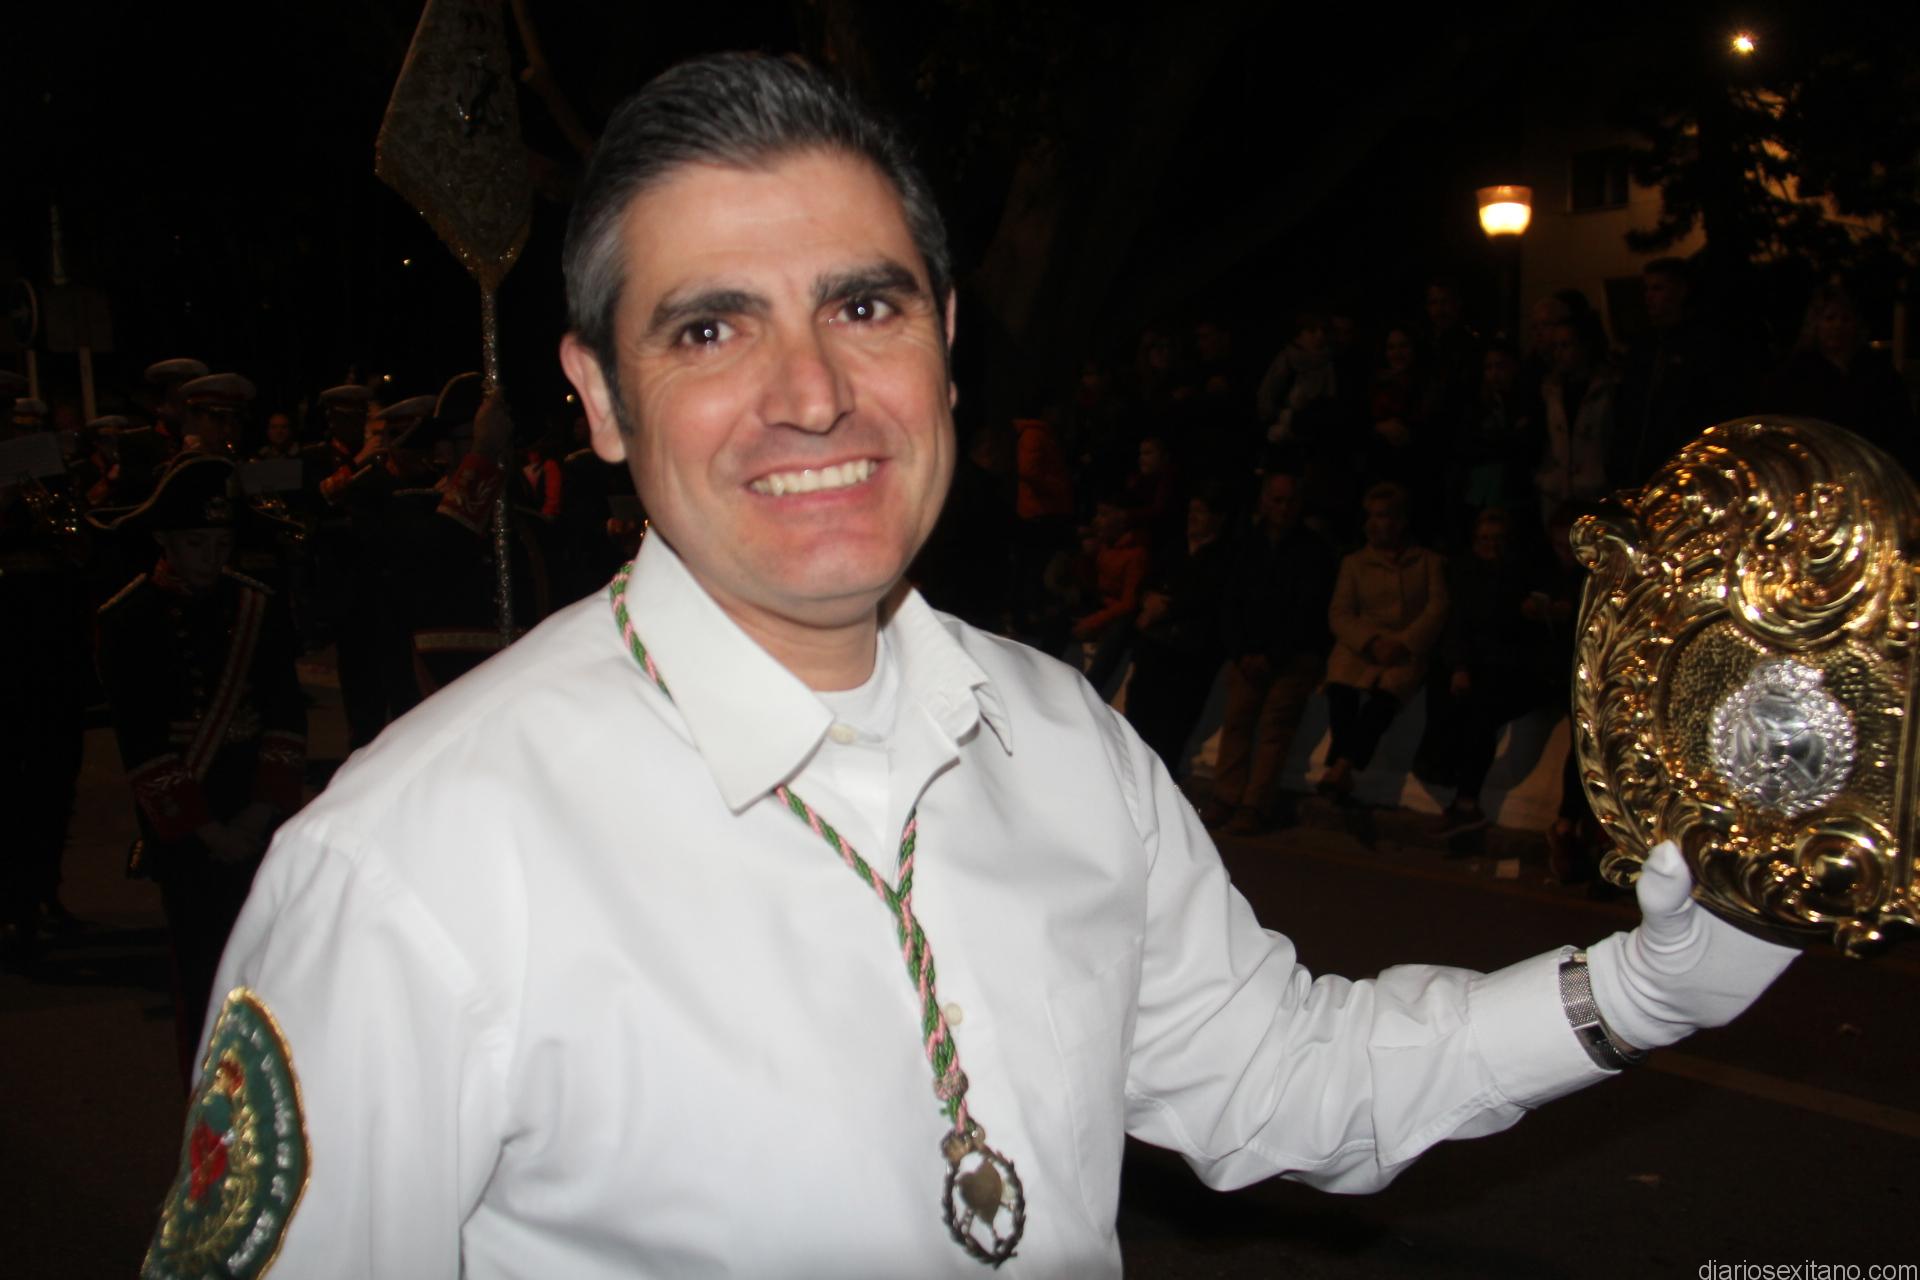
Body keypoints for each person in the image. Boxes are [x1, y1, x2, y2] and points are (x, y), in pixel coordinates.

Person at [146, 54, 1797, 1279]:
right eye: (710, 329)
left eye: (864, 308)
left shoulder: (1062, 737)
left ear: (944, 337)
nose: (811, 393)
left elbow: (1285, 1080)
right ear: (597, 397)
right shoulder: (414, 867)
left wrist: (1641, 991)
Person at [94, 455, 305, 1081]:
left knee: (273, 961)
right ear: (163, 541)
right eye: (195, 544)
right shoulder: (128, 618)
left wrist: (260, 813)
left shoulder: (256, 606)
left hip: (253, 802)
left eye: (221, 544)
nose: (211, 558)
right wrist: (209, 829)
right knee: (201, 966)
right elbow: (141, 740)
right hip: (190, 821)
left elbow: (285, 714)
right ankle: (209, 1089)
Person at [1201, 470, 1336, 835]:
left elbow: (1308, 609)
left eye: (1290, 501)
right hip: (1248, 653)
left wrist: (1274, 654)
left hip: (1292, 656)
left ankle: (1254, 805)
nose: (1283, 508)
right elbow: (1229, 601)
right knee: (1237, 722)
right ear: (1263, 501)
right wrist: (1242, 651)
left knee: (1275, 729)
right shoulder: (1246, 544)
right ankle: (1225, 796)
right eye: (1277, 500)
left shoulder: (1313, 551)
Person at [1320, 481, 1447, 797]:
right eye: (1370, 516)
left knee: (1382, 704)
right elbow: (1340, 612)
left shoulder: (1428, 563)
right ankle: (1342, 769)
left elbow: (1437, 608)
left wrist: (1404, 643)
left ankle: (1340, 768)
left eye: (1383, 516)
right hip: (1361, 646)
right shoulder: (1354, 563)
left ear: (1400, 521)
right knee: (1341, 693)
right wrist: (1371, 642)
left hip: (1404, 648)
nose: (1374, 524)